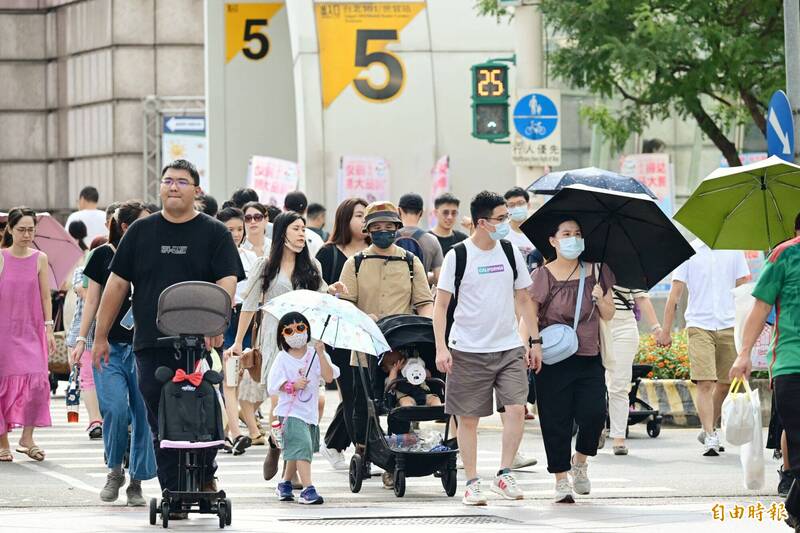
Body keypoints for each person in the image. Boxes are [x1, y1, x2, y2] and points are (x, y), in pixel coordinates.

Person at [91, 160, 244, 517]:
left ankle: (205, 476)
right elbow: (116, 285)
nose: (173, 187)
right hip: (150, 344)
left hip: (198, 343)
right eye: (168, 181)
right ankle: (172, 490)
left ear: (196, 190)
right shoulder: (142, 232)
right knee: (162, 417)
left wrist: (217, 324)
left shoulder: (214, 233)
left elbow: (227, 281)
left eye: (182, 182)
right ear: (161, 187)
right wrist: (99, 335)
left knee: (205, 409)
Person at [433, 191, 539, 506]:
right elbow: (440, 306)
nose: (507, 222)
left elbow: (523, 298)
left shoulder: (510, 251)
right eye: (501, 218)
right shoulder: (458, 255)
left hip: (508, 346)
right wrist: (441, 348)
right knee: (468, 418)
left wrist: (533, 340)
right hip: (467, 349)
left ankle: (504, 473)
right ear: (482, 222)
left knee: (517, 409)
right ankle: (472, 481)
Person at [228, 212, 345, 474]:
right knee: (283, 400)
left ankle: (290, 470)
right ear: (282, 232)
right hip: (274, 341)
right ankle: (275, 443)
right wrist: (238, 342)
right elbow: (248, 305)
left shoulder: (312, 266)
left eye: (304, 229)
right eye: (296, 228)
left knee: (306, 403)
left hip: (305, 342)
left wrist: (333, 289)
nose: (302, 233)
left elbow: (321, 297)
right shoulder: (265, 265)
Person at [338, 201, 434, 488]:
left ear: (396, 228)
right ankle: (365, 449)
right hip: (365, 348)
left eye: (388, 227)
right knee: (362, 404)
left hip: (402, 348)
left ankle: (398, 460)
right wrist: (362, 317)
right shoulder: (354, 263)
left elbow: (424, 302)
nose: (383, 232)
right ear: (368, 231)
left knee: (398, 403)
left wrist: (426, 329)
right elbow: (346, 304)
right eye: (377, 228)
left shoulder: (409, 261)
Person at [527, 217, 616, 503]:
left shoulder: (598, 270)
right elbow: (529, 314)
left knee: (594, 414)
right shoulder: (542, 275)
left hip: (589, 354)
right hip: (552, 357)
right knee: (555, 420)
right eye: (566, 233)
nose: (573, 239)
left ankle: (580, 461)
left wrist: (600, 297)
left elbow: (610, 313)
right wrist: (532, 346)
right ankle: (561, 479)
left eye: (578, 233)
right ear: (553, 240)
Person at [73, 200, 156, 505]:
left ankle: (136, 481)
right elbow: (91, 301)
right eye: (144, 222)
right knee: (116, 411)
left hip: (145, 349)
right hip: (107, 347)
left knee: (145, 416)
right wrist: (83, 339)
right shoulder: (103, 255)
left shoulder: (154, 257)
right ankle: (115, 470)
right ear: (125, 227)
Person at [729, 219, 800, 526]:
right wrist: (743, 354)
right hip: (791, 365)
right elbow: (760, 308)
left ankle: (795, 510)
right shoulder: (784, 255)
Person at [658, 239, 749, 456]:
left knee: (726, 383)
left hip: (729, 324)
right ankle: (710, 435)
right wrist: (666, 330)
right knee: (705, 382)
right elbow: (675, 294)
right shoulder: (687, 252)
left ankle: (709, 426)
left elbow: (744, 287)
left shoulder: (734, 251)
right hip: (699, 325)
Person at [315, 198, 369, 469]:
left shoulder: (376, 252)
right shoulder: (328, 254)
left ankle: (335, 443)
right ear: (345, 219)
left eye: (366, 215)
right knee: (350, 391)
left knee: (365, 392)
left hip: (369, 332)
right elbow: (318, 293)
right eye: (359, 215)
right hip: (338, 334)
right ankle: (362, 450)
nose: (363, 220)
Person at [0, 207, 55, 462]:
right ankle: (3, 441)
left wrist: (49, 327)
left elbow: (46, 296)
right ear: (10, 229)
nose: (26, 234)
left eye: (31, 230)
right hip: (4, 331)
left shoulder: (40, 258)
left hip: (31, 330)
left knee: (37, 382)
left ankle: (27, 437)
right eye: (21, 229)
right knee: (3, 386)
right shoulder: (0, 257)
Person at [268, 312, 340, 504]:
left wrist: (322, 354)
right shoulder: (282, 358)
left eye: (300, 328)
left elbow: (329, 376)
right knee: (302, 447)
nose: (296, 333)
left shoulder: (314, 354)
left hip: (309, 413)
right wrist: (292, 384)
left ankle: (284, 484)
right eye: (289, 330)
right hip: (289, 412)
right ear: (282, 335)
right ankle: (308, 489)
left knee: (296, 449)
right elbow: (273, 385)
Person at [216, 207, 259, 455]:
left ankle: (230, 430)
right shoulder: (211, 253)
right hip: (222, 320)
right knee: (229, 380)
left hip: (246, 320)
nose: (235, 234)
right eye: (229, 229)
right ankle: (235, 432)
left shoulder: (250, 257)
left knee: (239, 379)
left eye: (239, 229)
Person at [605, 286, 662, 455]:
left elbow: (642, 298)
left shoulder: (629, 266)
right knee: (594, 384)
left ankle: (618, 438)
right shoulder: (589, 263)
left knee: (619, 385)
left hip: (624, 327)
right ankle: (595, 430)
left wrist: (656, 328)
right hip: (596, 325)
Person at [65, 240, 103, 441]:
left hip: (107, 333)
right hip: (85, 334)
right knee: (87, 376)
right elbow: (84, 291)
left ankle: (104, 418)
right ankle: (95, 421)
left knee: (104, 377)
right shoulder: (81, 272)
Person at [397, 193, 444, 285]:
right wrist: (425, 276)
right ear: (421, 213)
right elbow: (439, 277)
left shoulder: (389, 239)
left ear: (399, 211)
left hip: (393, 296)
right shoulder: (432, 240)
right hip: (420, 297)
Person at [284, 191, 324, 259]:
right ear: (306, 210)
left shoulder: (276, 235)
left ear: (284, 208)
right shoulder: (315, 238)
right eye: (296, 229)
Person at [504, 187, 536, 265]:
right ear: (506, 209)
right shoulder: (502, 232)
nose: (516, 208)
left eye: (520, 203)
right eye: (511, 205)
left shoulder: (538, 230)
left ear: (528, 205)